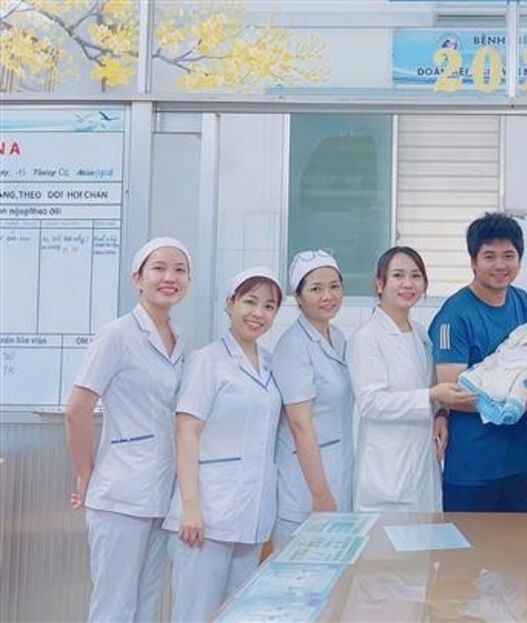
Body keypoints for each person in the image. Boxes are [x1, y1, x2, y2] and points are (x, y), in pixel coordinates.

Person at [65, 237, 191, 622]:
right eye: (159, 268)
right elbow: (77, 410)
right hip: (119, 493)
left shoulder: (177, 339)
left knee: (145, 606)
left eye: (180, 270)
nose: (170, 277)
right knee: (115, 608)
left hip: (159, 493)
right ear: (137, 278)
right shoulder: (116, 334)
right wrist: (86, 473)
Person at [163, 267, 284, 622]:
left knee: (239, 614)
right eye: (250, 302)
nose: (258, 313)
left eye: (269, 306)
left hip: (252, 516)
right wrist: (190, 506)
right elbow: (186, 431)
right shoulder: (207, 360)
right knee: (195, 615)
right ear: (229, 304)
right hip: (206, 516)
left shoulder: (270, 365)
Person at [349, 246, 473, 512]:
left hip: (423, 468)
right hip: (386, 475)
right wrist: (431, 396)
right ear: (380, 284)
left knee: (426, 535)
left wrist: (441, 414)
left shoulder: (421, 334)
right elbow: (371, 403)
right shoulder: (366, 338)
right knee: (388, 539)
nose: (408, 284)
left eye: (416, 276)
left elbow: (432, 385)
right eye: (398, 275)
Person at [429, 213, 527, 512]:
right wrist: (511, 405)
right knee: (466, 544)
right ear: (473, 261)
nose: (500, 265)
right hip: (473, 466)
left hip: (521, 458)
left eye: (509, 255)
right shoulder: (453, 316)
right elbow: (451, 392)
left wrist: (521, 402)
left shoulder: (522, 301)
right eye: (489, 256)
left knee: (519, 542)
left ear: (520, 259)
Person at [270, 250, 354, 548]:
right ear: (298, 296)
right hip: (306, 490)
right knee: (299, 571)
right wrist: (320, 494)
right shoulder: (293, 345)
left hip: (338, 475)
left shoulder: (338, 337)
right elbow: (300, 423)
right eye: (316, 289)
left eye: (334, 286)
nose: (328, 296)